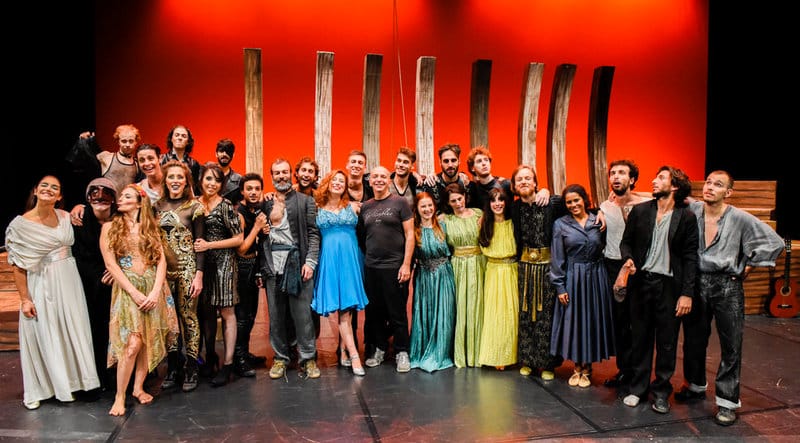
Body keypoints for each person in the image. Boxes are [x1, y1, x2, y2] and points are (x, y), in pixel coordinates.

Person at [676, 170, 783, 426]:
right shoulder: (693, 210)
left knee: (731, 345)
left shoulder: (740, 218)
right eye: (708, 182)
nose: (710, 187)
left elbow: (775, 242)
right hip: (697, 281)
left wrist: (749, 266)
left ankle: (726, 401)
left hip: (727, 285)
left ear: (728, 192)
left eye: (718, 184)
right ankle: (695, 385)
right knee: (693, 340)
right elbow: (659, 197)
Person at [5, 175, 100, 410]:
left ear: (59, 196)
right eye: (44, 185)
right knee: (46, 331)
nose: (48, 189)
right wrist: (25, 299)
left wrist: (80, 206)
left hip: (69, 281)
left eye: (54, 187)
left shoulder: (66, 216)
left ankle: (77, 382)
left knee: (73, 328)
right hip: (41, 282)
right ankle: (47, 387)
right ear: (35, 191)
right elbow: (17, 266)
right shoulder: (20, 225)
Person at [618, 165, 698, 414]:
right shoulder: (641, 211)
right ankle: (637, 389)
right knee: (640, 339)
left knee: (667, 342)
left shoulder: (686, 217)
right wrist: (628, 258)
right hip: (642, 283)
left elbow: (690, 257)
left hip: (670, 286)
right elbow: (626, 242)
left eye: (661, 177)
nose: (654, 181)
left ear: (674, 186)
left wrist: (687, 293)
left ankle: (662, 392)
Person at [100, 183, 179, 416]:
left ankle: (138, 387)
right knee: (132, 342)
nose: (121, 199)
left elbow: (161, 261)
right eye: (121, 196)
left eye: (127, 196)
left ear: (139, 202)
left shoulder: (149, 227)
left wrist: (155, 292)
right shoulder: (109, 227)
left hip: (153, 286)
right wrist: (134, 293)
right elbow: (110, 264)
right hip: (128, 288)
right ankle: (119, 396)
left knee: (148, 338)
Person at [259, 158, 322, 380]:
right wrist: (261, 269)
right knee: (276, 317)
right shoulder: (265, 203)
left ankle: (308, 358)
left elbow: (314, 234)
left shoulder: (306, 201)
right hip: (272, 267)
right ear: (271, 176)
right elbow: (261, 238)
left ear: (290, 174)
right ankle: (280, 358)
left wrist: (310, 262)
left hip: (299, 265)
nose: (281, 176)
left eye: (285, 172)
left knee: (303, 316)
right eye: (277, 173)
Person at [549, 184, 616, 388]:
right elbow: (557, 257)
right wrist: (560, 286)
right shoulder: (560, 224)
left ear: (584, 200)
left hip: (596, 276)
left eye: (576, 200)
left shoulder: (598, 221)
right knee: (575, 322)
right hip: (573, 277)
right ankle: (577, 367)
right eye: (569, 202)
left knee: (592, 321)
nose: (573, 205)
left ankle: (588, 367)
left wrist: (601, 211)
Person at [154, 160, 206, 392]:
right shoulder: (155, 206)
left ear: (186, 182)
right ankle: (173, 366)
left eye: (180, 177)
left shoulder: (194, 207)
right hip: (163, 273)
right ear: (165, 180)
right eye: (171, 176)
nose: (175, 180)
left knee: (188, 317)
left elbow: (200, 244)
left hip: (188, 270)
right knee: (169, 320)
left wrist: (199, 275)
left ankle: (192, 367)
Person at [311, 169, 369, 376]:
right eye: (334, 180)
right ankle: (350, 353)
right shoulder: (317, 208)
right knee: (342, 308)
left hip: (351, 259)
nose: (337, 183)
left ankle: (349, 353)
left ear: (345, 186)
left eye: (341, 181)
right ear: (327, 183)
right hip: (329, 259)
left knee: (347, 309)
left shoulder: (354, 206)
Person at [599, 160, 651, 389]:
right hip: (612, 266)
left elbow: (673, 198)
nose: (616, 177)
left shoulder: (646, 204)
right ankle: (624, 370)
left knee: (638, 324)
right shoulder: (605, 205)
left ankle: (639, 375)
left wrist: (638, 194)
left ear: (632, 179)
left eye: (622, 173)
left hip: (637, 268)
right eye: (613, 173)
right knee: (619, 323)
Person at [510, 165, 565, 380]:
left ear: (535, 182)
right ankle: (528, 361)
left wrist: (547, 191)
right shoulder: (514, 208)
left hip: (548, 267)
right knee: (525, 313)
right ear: (514, 186)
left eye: (528, 178)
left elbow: (578, 204)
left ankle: (548, 364)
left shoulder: (552, 203)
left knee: (547, 315)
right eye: (519, 179)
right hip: (524, 267)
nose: (524, 182)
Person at [358, 165, 415, 373]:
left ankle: (402, 352)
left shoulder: (400, 203)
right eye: (375, 176)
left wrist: (406, 264)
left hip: (395, 267)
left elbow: (410, 235)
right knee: (375, 312)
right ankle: (380, 348)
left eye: (383, 176)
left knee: (397, 312)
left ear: (389, 181)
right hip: (372, 268)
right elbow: (362, 238)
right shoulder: (366, 207)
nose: (379, 180)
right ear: (370, 181)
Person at [194, 162, 243, 387]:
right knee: (205, 313)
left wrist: (209, 245)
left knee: (227, 312)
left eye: (216, 180)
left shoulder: (225, 206)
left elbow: (238, 239)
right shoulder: (195, 204)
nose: (212, 183)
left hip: (224, 264)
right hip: (203, 266)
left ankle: (228, 363)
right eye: (208, 178)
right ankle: (210, 356)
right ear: (201, 181)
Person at [72, 177, 118, 394]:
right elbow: (80, 257)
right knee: (94, 330)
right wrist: (99, 276)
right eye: (95, 194)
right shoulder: (80, 222)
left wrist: (116, 271)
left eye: (106, 194)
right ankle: (97, 376)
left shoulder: (120, 221)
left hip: (118, 283)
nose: (100, 198)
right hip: (90, 287)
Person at [409, 192, 456, 372]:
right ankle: (422, 351)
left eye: (430, 205)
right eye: (423, 206)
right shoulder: (414, 230)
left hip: (444, 275)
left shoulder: (444, 225)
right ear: (417, 209)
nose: (427, 209)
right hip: (424, 277)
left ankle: (442, 351)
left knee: (444, 313)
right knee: (424, 314)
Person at [441, 182, 485, 368]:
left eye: (460, 199)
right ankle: (462, 353)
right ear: (448, 203)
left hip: (479, 263)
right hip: (457, 265)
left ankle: (479, 353)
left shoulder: (479, 214)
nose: (458, 203)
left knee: (478, 306)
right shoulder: (445, 220)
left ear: (465, 197)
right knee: (460, 307)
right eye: (453, 201)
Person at [476, 188, 519, 370]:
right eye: (493, 200)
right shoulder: (484, 224)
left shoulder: (514, 223)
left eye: (501, 199)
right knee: (494, 315)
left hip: (512, 271)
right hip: (493, 272)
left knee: (512, 314)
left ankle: (512, 355)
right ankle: (496, 355)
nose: (497, 203)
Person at [233, 173, 270, 376]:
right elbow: (241, 248)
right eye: (249, 189)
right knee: (242, 316)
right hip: (241, 266)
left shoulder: (256, 210)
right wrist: (257, 228)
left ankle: (245, 353)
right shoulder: (239, 213)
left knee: (251, 315)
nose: (254, 192)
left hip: (253, 266)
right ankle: (238, 358)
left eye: (257, 189)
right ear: (242, 191)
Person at [420, 143, 471, 215]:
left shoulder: (466, 184)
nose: (450, 165)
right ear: (440, 162)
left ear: (459, 161)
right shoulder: (431, 185)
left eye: (453, 160)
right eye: (446, 161)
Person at [161, 125, 201, 195]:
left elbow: (196, 188)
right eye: (177, 135)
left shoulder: (194, 164)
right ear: (171, 139)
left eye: (184, 136)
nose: (180, 138)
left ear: (188, 141)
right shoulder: (161, 160)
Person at [215, 138, 243, 206]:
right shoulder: (207, 176)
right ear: (216, 154)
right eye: (221, 151)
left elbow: (241, 204)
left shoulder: (239, 180)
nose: (224, 154)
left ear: (233, 155)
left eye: (228, 151)